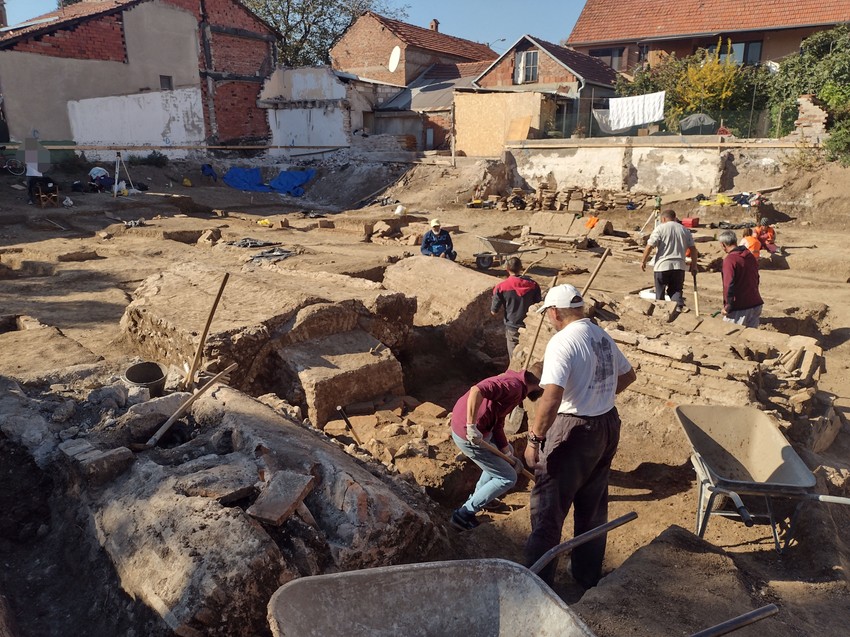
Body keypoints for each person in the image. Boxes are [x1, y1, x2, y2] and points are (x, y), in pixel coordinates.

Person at [523, 284, 636, 588]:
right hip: (606, 424)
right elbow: (628, 375)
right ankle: (586, 576)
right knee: (593, 506)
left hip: (574, 430)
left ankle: (535, 585)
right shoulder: (600, 334)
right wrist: (598, 396)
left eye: (547, 314)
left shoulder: (562, 342)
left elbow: (551, 397)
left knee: (548, 508)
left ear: (554, 312)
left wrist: (534, 439)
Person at [449, 364, 544, 531]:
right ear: (540, 385)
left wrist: (507, 454)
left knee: (509, 451)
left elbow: (498, 421)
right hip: (468, 434)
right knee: (508, 478)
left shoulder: (516, 385)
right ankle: (463, 515)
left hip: (478, 428)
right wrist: (471, 426)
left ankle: (482, 497)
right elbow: (477, 390)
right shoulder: (513, 387)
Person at [640, 210, 698, 311]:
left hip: (662, 265)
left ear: (663, 219)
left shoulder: (660, 228)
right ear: (675, 218)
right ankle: (678, 308)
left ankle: (661, 310)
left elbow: (649, 246)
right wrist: (694, 265)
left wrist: (643, 261)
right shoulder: (684, 230)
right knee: (676, 290)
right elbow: (693, 249)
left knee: (660, 291)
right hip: (679, 266)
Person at [491, 257, 542, 356]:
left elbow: (493, 312)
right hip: (529, 327)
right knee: (528, 355)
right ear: (521, 268)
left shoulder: (501, 287)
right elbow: (538, 306)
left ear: (507, 269)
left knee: (514, 357)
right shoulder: (533, 285)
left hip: (512, 327)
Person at [719, 229, 763, 328]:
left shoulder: (730, 260)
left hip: (740, 307)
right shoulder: (750, 256)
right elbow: (756, 278)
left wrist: (728, 306)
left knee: (729, 333)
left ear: (723, 245)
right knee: (750, 335)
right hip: (755, 303)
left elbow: (728, 285)